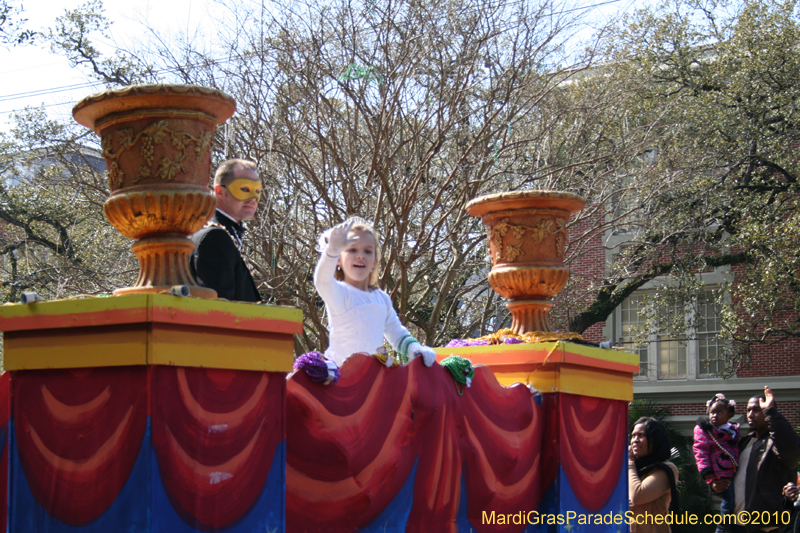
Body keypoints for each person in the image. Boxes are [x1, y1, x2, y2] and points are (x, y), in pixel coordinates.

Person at [314, 217, 436, 367]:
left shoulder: (382, 299)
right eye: (352, 249)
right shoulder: (340, 293)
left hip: (372, 380)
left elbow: (397, 333)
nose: (361, 255)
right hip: (339, 380)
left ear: (374, 261)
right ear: (338, 259)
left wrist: (415, 348)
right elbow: (322, 281)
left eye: (368, 251)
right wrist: (331, 251)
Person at [190, 159, 261, 302]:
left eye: (257, 191)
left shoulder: (223, 233)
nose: (253, 198)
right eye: (244, 189)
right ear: (220, 192)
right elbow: (219, 310)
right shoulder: (214, 237)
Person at [733, 386, 800, 533]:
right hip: (736, 525)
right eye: (748, 410)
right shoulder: (743, 443)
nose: (750, 414)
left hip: (767, 526)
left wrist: (770, 411)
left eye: (756, 410)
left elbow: (791, 449)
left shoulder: (775, 443)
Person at [693, 393, 740, 533]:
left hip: (733, 471)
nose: (714, 415)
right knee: (728, 502)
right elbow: (700, 450)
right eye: (712, 412)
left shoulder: (733, 430)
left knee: (733, 502)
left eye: (719, 412)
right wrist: (707, 471)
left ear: (729, 414)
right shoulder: (704, 430)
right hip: (719, 472)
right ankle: (723, 529)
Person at [629, 416, 681, 533]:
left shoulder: (666, 469)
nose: (635, 440)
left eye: (641, 435)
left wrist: (629, 463)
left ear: (655, 439)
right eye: (633, 436)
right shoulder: (632, 469)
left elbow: (638, 495)